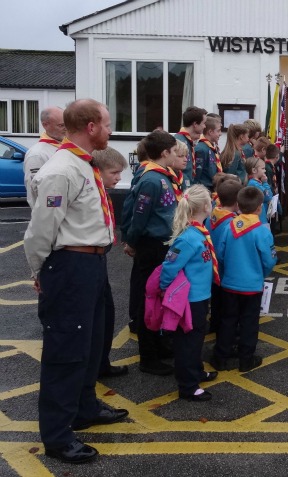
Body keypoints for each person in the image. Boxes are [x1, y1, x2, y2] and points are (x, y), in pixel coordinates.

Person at [24, 99, 128, 464]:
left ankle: (85, 408)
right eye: (108, 123)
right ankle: (57, 436)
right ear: (90, 127)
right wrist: (41, 273)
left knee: (93, 341)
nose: (111, 130)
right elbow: (40, 231)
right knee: (66, 352)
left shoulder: (84, 164)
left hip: (92, 264)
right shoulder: (61, 169)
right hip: (70, 266)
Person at [122, 130, 181, 376]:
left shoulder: (163, 177)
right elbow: (139, 216)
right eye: (175, 152)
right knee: (149, 302)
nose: (177, 155)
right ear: (165, 153)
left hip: (163, 244)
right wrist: (132, 242)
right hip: (152, 246)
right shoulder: (151, 180)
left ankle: (159, 346)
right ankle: (148, 357)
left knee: (160, 299)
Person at [159, 184, 219, 401]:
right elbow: (169, 267)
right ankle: (188, 385)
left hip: (201, 297)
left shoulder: (200, 232)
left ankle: (196, 371)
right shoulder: (188, 238)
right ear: (204, 206)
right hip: (189, 301)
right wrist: (166, 290)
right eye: (210, 201)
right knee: (188, 343)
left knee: (197, 338)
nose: (212, 204)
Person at [211, 186, 277, 372]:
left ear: (238, 205)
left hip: (230, 283)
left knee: (227, 320)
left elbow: (220, 254)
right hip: (252, 286)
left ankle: (221, 358)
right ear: (259, 208)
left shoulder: (229, 225)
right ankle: (246, 360)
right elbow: (269, 259)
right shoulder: (262, 231)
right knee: (249, 322)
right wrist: (261, 273)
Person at [91, 147, 130, 379]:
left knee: (107, 314)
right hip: (87, 257)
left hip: (100, 254)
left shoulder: (101, 190)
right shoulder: (89, 190)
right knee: (96, 316)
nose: (118, 178)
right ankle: (95, 366)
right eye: (114, 173)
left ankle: (101, 362)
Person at [208, 178, 243, 334]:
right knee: (228, 308)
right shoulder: (233, 223)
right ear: (237, 201)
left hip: (213, 270)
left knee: (216, 300)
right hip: (226, 272)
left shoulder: (211, 216)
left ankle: (214, 324)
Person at [24, 106, 66, 208]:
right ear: (45, 125)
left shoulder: (66, 147)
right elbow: (37, 192)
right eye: (61, 125)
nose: (66, 129)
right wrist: (53, 217)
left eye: (67, 124)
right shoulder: (37, 155)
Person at [174, 106, 207, 189]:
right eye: (203, 123)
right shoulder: (179, 142)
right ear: (195, 124)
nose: (205, 126)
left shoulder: (188, 141)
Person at [194, 114, 223, 190]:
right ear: (210, 132)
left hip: (212, 188)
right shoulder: (201, 149)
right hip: (204, 189)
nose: (221, 134)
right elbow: (197, 175)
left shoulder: (211, 147)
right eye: (218, 131)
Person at [245, 155, 273, 224]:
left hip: (262, 215)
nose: (265, 170)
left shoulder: (256, 182)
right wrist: (265, 182)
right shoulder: (254, 184)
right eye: (263, 168)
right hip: (260, 218)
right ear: (254, 170)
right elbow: (268, 196)